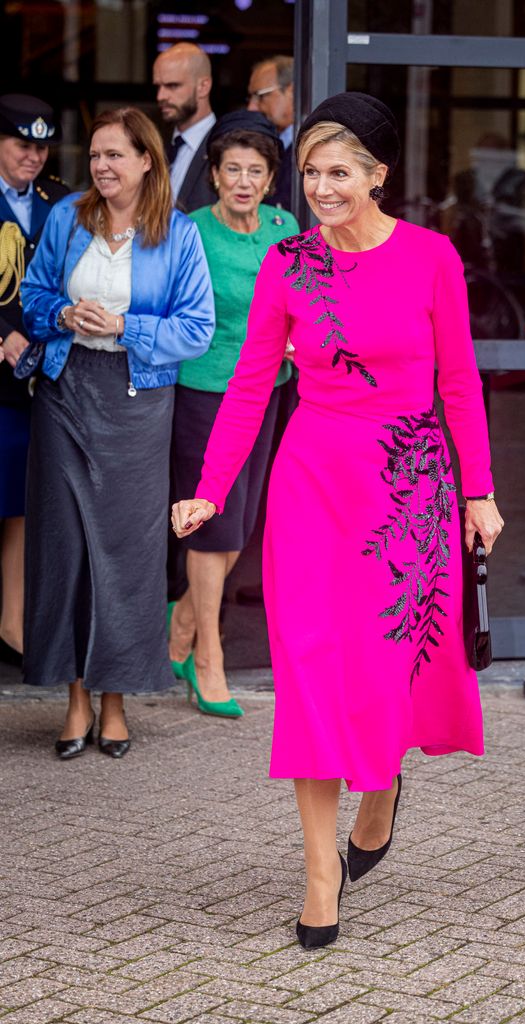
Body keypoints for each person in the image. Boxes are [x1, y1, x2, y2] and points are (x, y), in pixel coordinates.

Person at [172, 91, 503, 949]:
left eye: (339, 173)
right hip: (313, 486)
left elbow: (460, 385)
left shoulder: (432, 259)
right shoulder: (288, 263)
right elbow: (249, 384)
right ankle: (321, 873)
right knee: (314, 679)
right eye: (311, 171)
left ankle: (383, 786)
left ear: (378, 176)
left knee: (386, 674)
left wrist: (479, 493)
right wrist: (212, 485)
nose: (320, 188)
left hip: (408, 490)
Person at [21, 107, 214, 760]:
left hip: (137, 406)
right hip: (65, 393)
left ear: (146, 162)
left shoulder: (179, 234)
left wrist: (125, 327)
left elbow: (196, 329)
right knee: (66, 549)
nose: (101, 167)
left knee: (128, 555)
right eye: (96, 156)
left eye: (115, 156)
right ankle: (76, 699)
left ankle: (116, 700)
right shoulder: (68, 218)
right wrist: (61, 312)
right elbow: (34, 295)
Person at [169, 110, 298, 719]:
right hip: (206, 389)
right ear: (214, 175)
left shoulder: (286, 227)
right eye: (232, 170)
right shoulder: (189, 229)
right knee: (211, 520)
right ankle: (208, 657)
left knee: (241, 523)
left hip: (270, 389)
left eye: (256, 171)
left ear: (270, 180)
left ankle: (181, 620)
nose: (243, 181)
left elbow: (308, 301)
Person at [0, 94, 69, 667]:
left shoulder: (58, 199)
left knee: (23, 500)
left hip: (39, 373)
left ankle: (14, 623)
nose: (33, 156)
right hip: (0, 366)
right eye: (22, 143)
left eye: (41, 146)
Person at [154, 42, 216, 213]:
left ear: (203, 86)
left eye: (172, 86)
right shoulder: (157, 146)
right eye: (158, 86)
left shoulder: (225, 146)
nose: (161, 96)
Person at [247, 55, 294, 210]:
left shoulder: (314, 144)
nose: (252, 107)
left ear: (291, 91)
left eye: (260, 96)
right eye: (251, 98)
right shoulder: (270, 141)